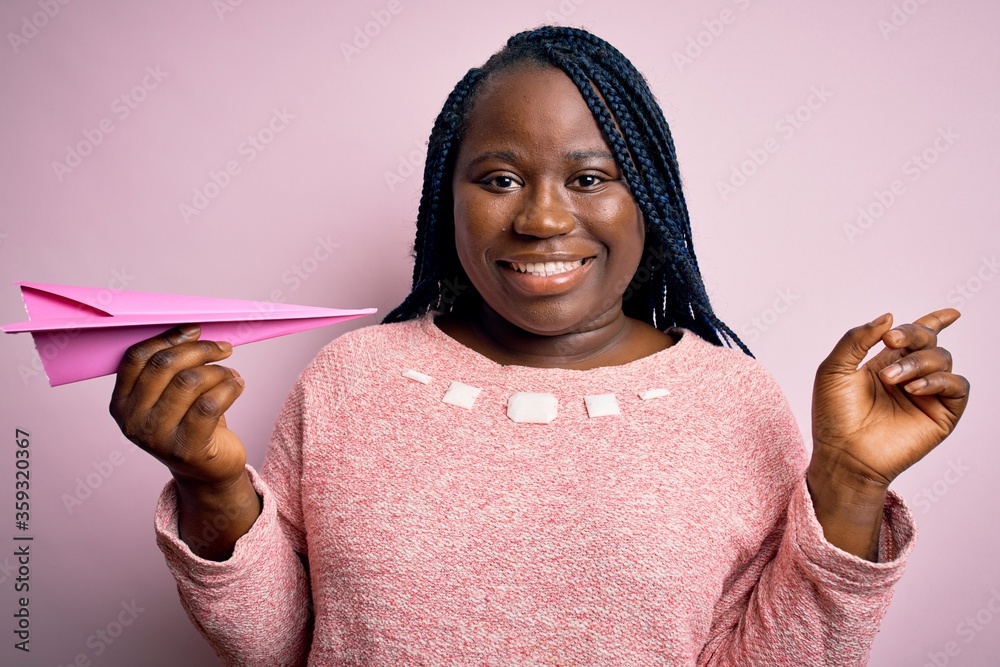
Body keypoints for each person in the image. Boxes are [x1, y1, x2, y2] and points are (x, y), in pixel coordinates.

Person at [109, 26, 969, 666]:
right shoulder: (352, 380)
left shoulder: (736, 404)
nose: (543, 217)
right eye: (500, 178)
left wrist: (851, 483)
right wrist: (211, 483)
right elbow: (281, 645)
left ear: (651, 203)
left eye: (590, 178)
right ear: (447, 196)